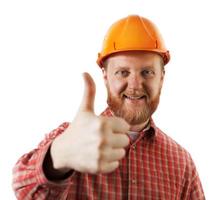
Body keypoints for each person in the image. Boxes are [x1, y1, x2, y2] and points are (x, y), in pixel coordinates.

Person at [12, 15, 205, 199]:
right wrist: (58, 157)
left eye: (147, 72)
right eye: (123, 72)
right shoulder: (72, 139)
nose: (135, 84)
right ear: (105, 76)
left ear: (162, 77)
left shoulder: (182, 163)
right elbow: (24, 188)